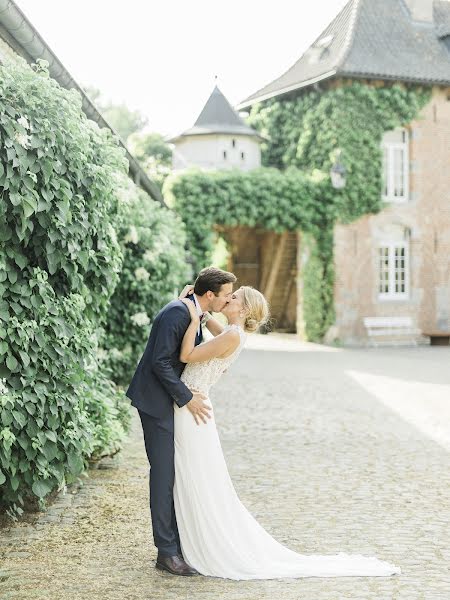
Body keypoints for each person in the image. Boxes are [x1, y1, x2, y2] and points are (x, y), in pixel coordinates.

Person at [171, 284, 402, 580]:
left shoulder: (231, 335)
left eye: (234, 297)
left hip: (193, 408)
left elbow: (188, 355)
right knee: (198, 476)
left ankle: (197, 542)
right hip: (195, 407)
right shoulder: (234, 332)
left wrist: (191, 317)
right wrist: (199, 311)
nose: (228, 298)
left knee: (196, 476)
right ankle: (190, 537)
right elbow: (213, 325)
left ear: (242, 309)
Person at [126, 267, 236, 576]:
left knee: (176, 472)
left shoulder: (193, 311)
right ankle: (167, 552)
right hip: (155, 401)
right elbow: (160, 362)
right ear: (210, 294)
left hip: (168, 400)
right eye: (226, 295)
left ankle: (179, 542)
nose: (228, 301)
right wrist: (187, 398)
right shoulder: (178, 312)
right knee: (163, 476)